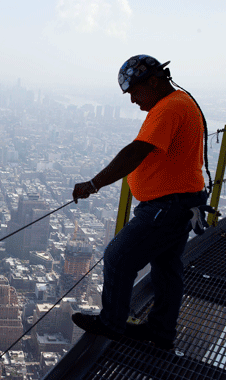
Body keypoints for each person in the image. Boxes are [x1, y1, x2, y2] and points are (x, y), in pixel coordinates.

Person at [71, 54, 212, 350]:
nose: (133, 100)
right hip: (183, 201)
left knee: (118, 257)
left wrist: (93, 184)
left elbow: (136, 152)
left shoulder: (169, 108)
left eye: (134, 92)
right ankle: (160, 333)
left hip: (168, 205)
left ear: (152, 81)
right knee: (166, 268)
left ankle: (111, 324)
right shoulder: (181, 102)